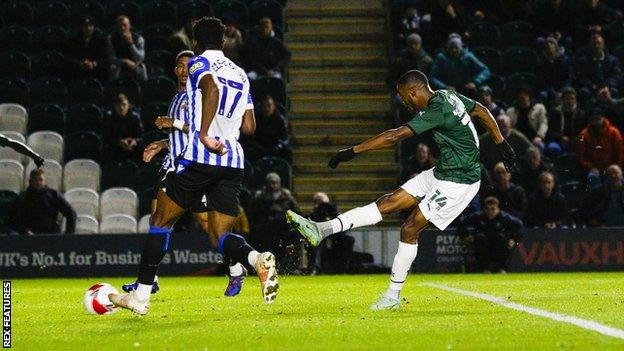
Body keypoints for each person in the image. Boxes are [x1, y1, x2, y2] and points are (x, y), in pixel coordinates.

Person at [286, 69, 516, 310]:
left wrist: (352, 152)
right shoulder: (449, 96)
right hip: (443, 171)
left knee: (410, 227)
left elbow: (394, 137)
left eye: (405, 98)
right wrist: (501, 142)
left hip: (460, 181)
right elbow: (479, 109)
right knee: (387, 203)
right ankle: (321, 229)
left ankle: (392, 296)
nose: (405, 103)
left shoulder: (436, 109)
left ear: (414, 92)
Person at [109, 17, 278, 315]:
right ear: (224, 41)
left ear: (195, 42)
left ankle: (141, 296)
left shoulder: (199, 64)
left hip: (202, 158)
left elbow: (210, 89)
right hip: (233, 162)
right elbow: (250, 126)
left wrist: (203, 133)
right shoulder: (240, 73)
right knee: (219, 236)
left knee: (160, 222)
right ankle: (256, 260)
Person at [121, 50, 249, 297]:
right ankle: (149, 279)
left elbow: (203, 128)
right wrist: (162, 143)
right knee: (157, 219)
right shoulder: (178, 96)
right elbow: (179, 135)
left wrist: (174, 124)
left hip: (196, 167)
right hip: (173, 164)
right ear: (175, 70)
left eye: (188, 65)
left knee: (208, 227)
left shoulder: (198, 95)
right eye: (179, 65)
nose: (183, 69)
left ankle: (235, 267)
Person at [248, 173, 299, 271]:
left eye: (274, 183)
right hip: (265, 229)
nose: (272, 185)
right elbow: (252, 213)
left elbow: (296, 212)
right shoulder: (259, 197)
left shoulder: (287, 196)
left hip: (283, 228)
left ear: (278, 183)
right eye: (269, 183)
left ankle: (289, 267)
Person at [457, 196, 523, 273]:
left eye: (493, 209)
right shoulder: (479, 217)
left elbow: (519, 226)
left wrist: (514, 239)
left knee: (501, 238)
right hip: (484, 245)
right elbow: (462, 222)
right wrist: (465, 236)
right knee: (479, 237)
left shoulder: (504, 217)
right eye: (487, 209)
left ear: (498, 209)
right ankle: (484, 268)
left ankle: (502, 268)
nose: (490, 212)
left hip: (499, 245)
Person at [9, 169, 76, 235]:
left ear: (45, 181)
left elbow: (71, 214)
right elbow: (15, 219)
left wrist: (68, 235)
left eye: (41, 180)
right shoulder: (22, 197)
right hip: (28, 237)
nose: (38, 183)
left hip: (51, 236)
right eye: (35, 180)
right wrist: (24, 231)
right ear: (30, 181)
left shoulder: (54, 195)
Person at [576, 108, 623, 187]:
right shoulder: (583, 135)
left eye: (598, 119)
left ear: (603, 118)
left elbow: (620, 153)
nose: (596, 121)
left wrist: (616, 166)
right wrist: (591, 167)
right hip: (593, 168)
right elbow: (581, 156)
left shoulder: (614, 132)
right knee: (593, 177)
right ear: (590, 120)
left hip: (611, 166)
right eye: (593, 119)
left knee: (618, 177)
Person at [243, 95, 292, 163]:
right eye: (264, 106)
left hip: (275, 147)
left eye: (269, 105)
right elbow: (251, 137)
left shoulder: (281, 120)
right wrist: (257, 146)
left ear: (273, 106)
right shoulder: (255, 119)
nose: (266, 108)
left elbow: (285, 137)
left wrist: (279, 146)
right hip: (260, 147)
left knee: (287, 152)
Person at [102, 94, 143, 161]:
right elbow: (106, 138)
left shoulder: (135, 117)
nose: (121, 108)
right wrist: (119, 142)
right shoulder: (109, 118)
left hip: (132, 146)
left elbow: (141, 136)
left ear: (128, 105)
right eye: (118, 105)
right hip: (116, 146)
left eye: (124, 105)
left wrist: (134, 141)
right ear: (115, 106)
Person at [66, 15, 108, 81]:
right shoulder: (74, 38)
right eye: (85, 26)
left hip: (96, 68)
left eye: (90, 26)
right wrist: (80, 64)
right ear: (82, 27)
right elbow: (70, 56)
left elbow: (104, 57)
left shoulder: (100, 38)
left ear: (94, 27)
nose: (88, 28)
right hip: (79, 68)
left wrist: (93, 63)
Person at [107, 15, 147, 81]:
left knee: (141, 69)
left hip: (135, 66)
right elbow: (110, 58)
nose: (122, 28)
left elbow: (140, 58)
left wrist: (131, 44)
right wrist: (125, 61)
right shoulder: (111, 39)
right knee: (113, 68)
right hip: (119, 65)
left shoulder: (139, 39)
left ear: (129, 25)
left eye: (125, 25)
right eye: (120, 26)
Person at [547, 86, 587, 151]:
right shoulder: (555, 112)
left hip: (576, 140)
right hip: (559, 141)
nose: (570, 101)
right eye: (567, 98)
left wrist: (580, 139)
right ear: (563, 99)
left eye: (572, 98)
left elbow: (585, 131)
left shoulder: (581, 114)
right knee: (552, 147)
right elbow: (550, 131)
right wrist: (561, 137)